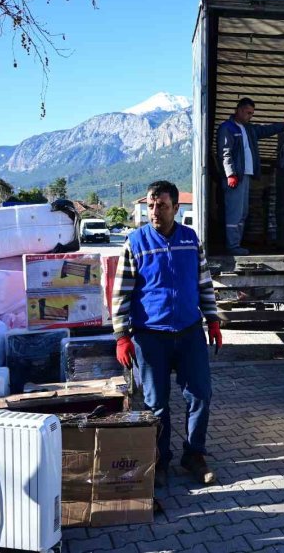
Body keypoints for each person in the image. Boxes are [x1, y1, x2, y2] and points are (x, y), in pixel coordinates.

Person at [112, 180, 223, 486]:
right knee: (156, 403)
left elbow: (203, 283)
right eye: (150, 206)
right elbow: (120, 292)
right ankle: (159, 461)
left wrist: (212, 319)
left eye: (161, 205)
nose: (154, 212)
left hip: (189, 333)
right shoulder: (135, 242)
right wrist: (122, 335)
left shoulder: (190, 240)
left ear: (176, 207)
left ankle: (194, 455)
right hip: (150, 337)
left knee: (200, 394)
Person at [216, 98, 284, 255]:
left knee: (243, 213)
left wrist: (283, 126)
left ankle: (236, 244)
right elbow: (225, 152)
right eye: (248, 113)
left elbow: (265, 130)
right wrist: (230, 174)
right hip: (235, 177)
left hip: (245, 176)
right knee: (234, 213)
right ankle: (232, 246)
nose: (250, 116)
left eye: (252, 113)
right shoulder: (227, 128)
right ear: (240, 110)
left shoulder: (248, 129)